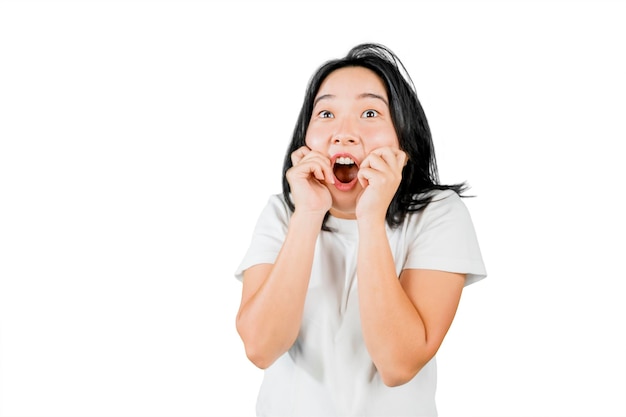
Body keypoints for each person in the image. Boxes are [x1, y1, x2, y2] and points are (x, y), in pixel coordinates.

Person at [234, 43, 487, 417]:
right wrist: (307, 214)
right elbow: (260, 347)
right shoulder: (281, 213)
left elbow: (398, 364)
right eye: (326, 113)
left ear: (403, 136)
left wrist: (372, 217)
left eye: (370, 112)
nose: (344, 133)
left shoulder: (439, 214)